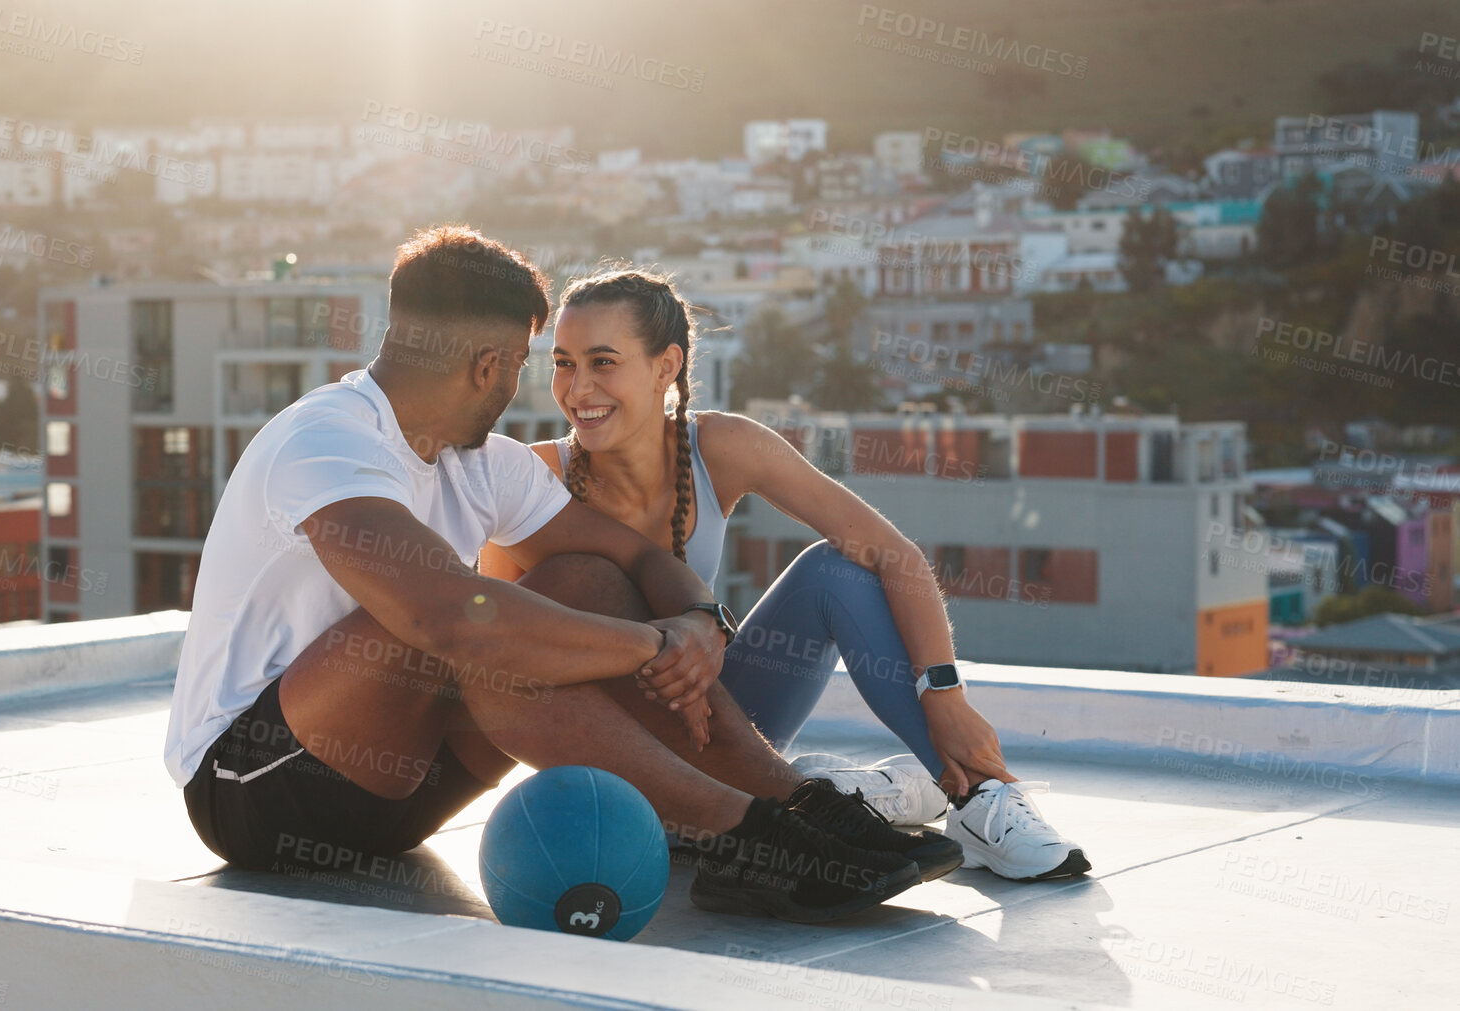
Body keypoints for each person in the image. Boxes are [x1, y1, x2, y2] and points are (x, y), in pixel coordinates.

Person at [164, 226, 964, 925]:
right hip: (255, 790)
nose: (531, 390)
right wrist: (646, 647)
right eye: (526, 364)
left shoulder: (484, 465)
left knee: (580, 575)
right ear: (489, 364)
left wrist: (694, 622)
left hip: (400, 803)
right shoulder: (327, 440)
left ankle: (796, 805)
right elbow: (442, 617)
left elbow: (638, 557)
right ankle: (742, 837)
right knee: (468, 623)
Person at [479, 266, 1089, 882]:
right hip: (614, 751)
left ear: (666, 367)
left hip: (724, 727)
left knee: (835, 571)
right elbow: (507, 666)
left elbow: (893, 554)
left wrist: (946, 694)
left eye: (603, 362)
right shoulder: (533, 484)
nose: (577, 387)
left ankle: (975, 798)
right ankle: (835, 791)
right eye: (562, 362)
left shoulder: (720, 446)